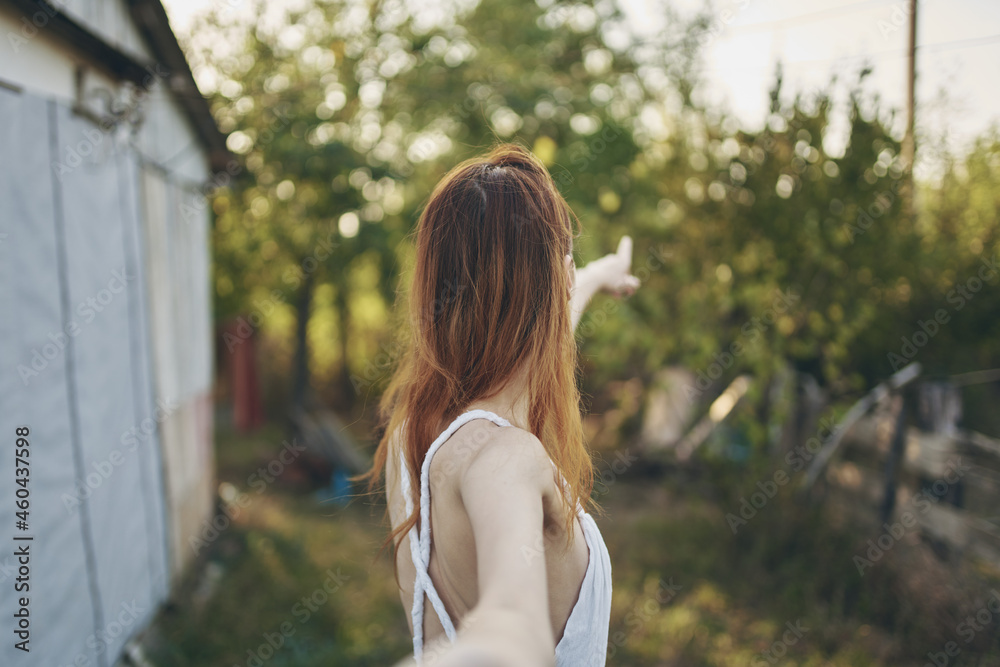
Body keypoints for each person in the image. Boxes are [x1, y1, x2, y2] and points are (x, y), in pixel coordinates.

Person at [367, 143, 639, 667]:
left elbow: (543, 334)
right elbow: (511, 627)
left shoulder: (410, 439)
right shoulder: (508, 459)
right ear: (559, 277)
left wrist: (599, 275)